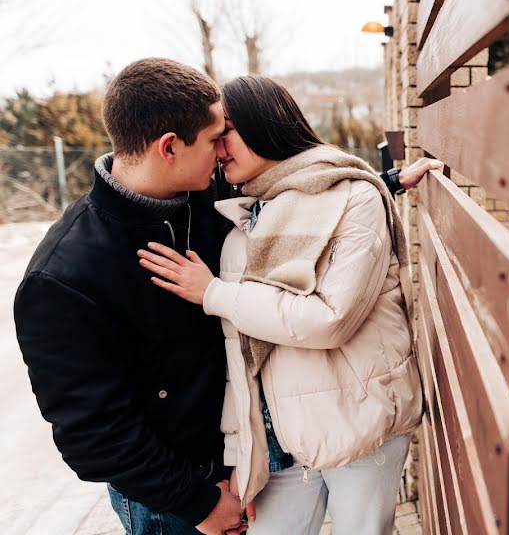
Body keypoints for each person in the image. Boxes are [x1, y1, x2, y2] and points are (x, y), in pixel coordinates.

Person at [13, 58, 438, 535]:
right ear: (169, 147)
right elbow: (92, 435)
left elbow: (302, 207)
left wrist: (383, 185)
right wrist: (196, 503)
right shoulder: (64, 276)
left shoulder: (206, 199)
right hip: (170, 498)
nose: (222, 153)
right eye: (216, 138)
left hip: (245, 461)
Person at [137, 75, 424, 535]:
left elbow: (329, 319)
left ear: (262, 123)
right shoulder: (245, 218)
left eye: (224, 131)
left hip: (360, 423)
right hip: (276, 442)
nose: (218, 149)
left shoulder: (357, 197)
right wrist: (240, 453)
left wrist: (214, 294)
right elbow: (238, 357)